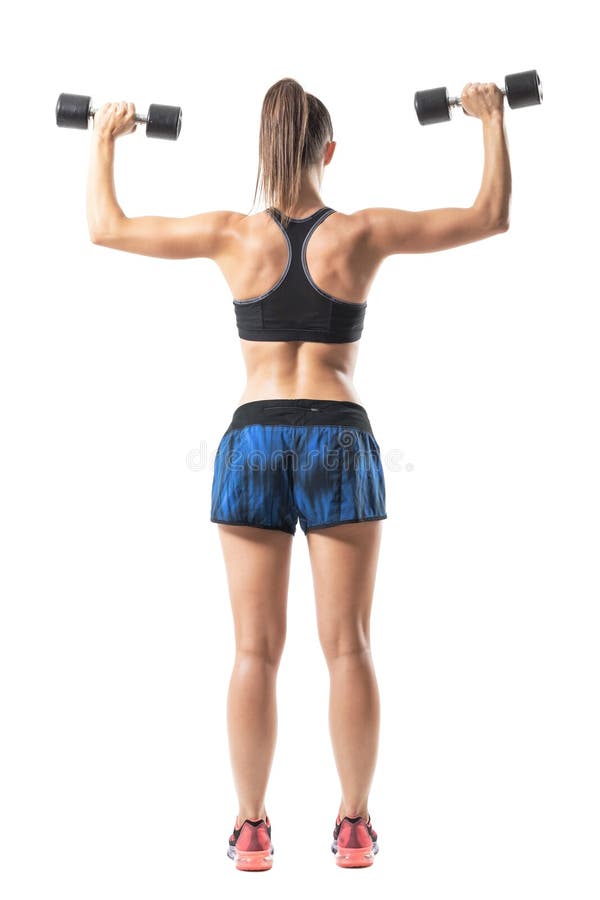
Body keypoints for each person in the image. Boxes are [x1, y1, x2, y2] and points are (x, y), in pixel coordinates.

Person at [87, 76, 510, 870]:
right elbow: (490, 214)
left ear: (264, 150)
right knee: (348, 647)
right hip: (337, 439)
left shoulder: (229, 235)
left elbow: (105, 227)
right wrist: (489, 119)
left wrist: (105, 137)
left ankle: (252, 830)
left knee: (254, 651)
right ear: (329, 150)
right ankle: (353, 828)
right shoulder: (363, 233)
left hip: (251, 440)